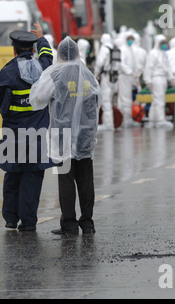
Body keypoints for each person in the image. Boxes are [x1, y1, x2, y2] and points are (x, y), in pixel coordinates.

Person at [29, 37, 102, 235]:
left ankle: (69, 224)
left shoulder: (56, 74)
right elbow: (98, 101)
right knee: (86, 179)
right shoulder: (88, 74)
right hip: (85, 135)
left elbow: (38, 99)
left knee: (66, 179)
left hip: (63, 135)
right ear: (78, 53)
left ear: (59, 54)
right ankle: (87, 223)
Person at [0, 22, 54, 232]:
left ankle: (10, 218)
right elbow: (48, 57)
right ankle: (28, 222)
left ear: (14, 49)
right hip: (37, 135)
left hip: (14, 135)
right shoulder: (43, 69)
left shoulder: (7, 72)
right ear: (33, 49)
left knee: (13, 174)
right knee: (32, 178)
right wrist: (42, 38)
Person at [143, 34, 174, 129]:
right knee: (159, 100)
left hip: (163, 78)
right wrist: (147, 80)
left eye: (165, 43)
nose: (164, 45)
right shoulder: (153, 53)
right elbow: (148, 68)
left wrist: (170, 78)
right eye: (162, 43)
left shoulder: (164, 54)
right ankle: (160, 120)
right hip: (156, 78)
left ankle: (152, 120)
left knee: (156, 100)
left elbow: (167, 67)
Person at [118, 33, 140, 128]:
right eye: (129, 39)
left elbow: (134, 63)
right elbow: (122, 64)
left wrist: (134, 75)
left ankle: (129, 118)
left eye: (132, 39)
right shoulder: (122, 50)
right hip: (125, 76)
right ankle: (125, 120)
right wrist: (130, 72)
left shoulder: (130, 50)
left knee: (129, 98)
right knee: (125, 99)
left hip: (130, 77)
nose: (130, 41)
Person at [94, 33, 116, 131]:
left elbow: (99, 63)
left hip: (106, 77)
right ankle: (109, 123)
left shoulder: (104, 48)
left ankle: (108, 124)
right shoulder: (114, 48)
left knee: (105, 101)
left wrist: (94, 75)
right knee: (109, 100)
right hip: (114, 78)